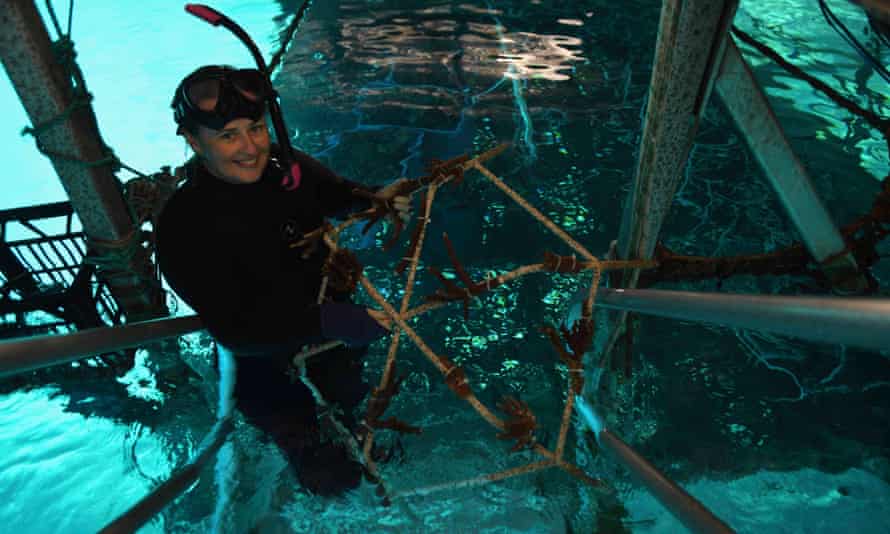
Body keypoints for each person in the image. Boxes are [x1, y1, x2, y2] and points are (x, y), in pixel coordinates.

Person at [155, 65, 412, 497]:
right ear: (194, 142)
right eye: (228, 136)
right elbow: (234, 329)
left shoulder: (285, 168)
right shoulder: (184, 226)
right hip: (262, 365)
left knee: (362, 430)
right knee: (328, 476)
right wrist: (327, 321)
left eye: (255, 128)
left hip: (330, 338)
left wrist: (375, 199)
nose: (250, 147)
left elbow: (339, 195)